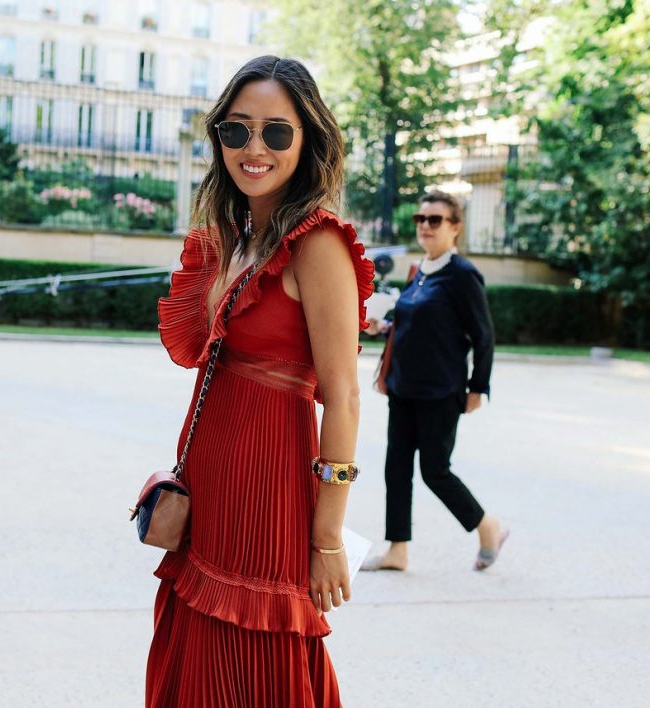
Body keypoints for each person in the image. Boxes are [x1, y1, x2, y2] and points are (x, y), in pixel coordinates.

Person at [147, 56, 375, 707]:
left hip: (272, 486)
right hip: (214, 486)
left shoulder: (317, 244)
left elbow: (345, 397)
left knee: (259, 653)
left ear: (307, 140)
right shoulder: (239, 235)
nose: (254, 148)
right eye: (236, 130)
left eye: (277, 132)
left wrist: (327, 537)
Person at [363, 190, 508, 573]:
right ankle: (397, 550)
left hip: (440, 392)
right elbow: (418, 323)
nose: (425, 226)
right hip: (403, 387)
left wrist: (478, 387)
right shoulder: (419, 272)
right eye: (420, 219)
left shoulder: (461, 275)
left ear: (455, 227)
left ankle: (486, 525)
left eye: (435, 220)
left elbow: (484, 336)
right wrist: (385, 325)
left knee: (435, 471)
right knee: (396, 468)